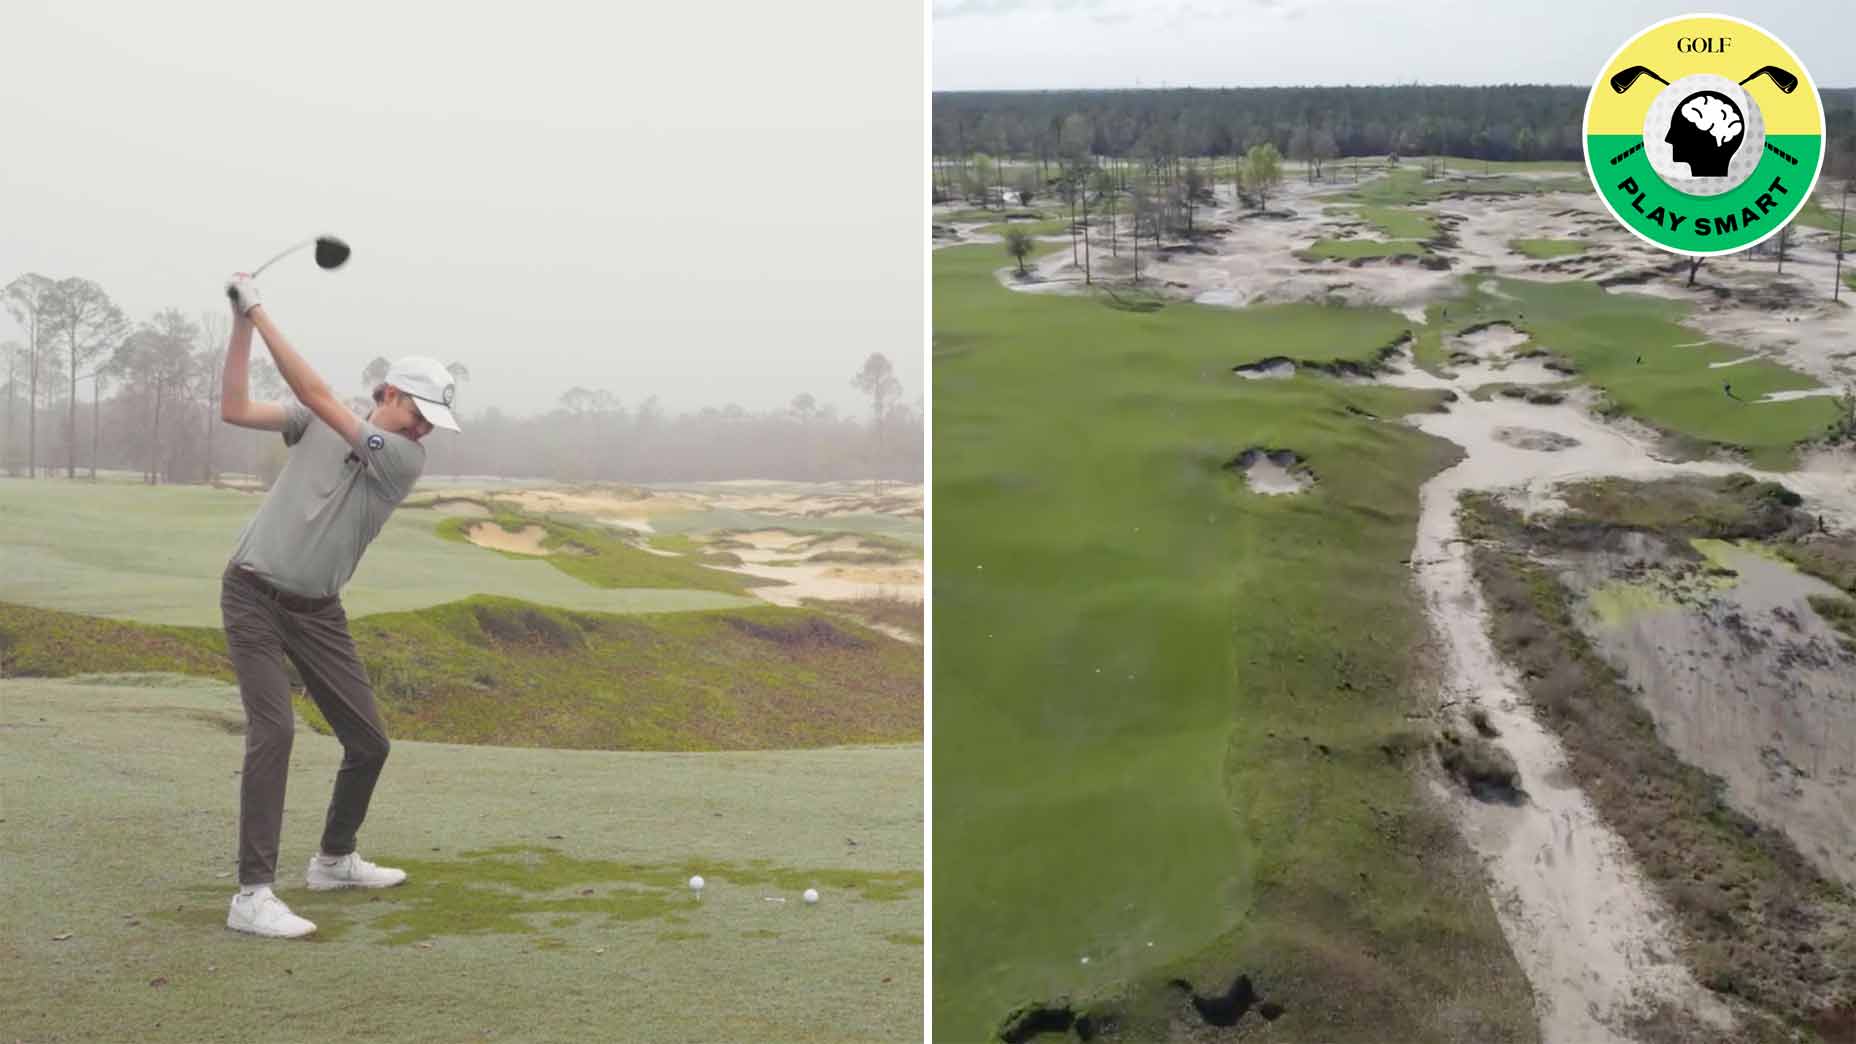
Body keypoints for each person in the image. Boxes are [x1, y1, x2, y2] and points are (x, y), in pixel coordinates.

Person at [217, 273, 461, 938]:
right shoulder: (319, 425)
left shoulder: (402, 459)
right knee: (275, 731)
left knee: (370, 742)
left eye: (433, 423)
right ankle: (252, 894)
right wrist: (241, 325)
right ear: (389, 394)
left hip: (318, 611)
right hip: (251, 594)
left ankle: (333, 859)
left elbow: (316, 395)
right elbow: (235, 408)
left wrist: (260, 307)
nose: (425, 430)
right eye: (420, 414)